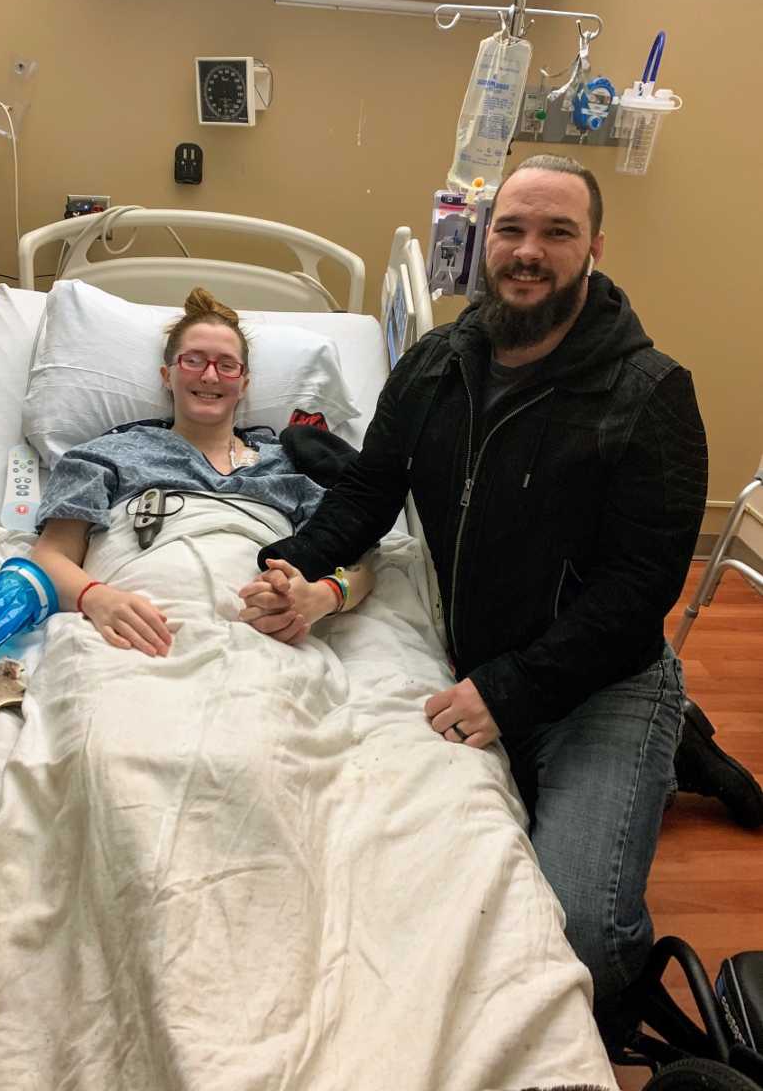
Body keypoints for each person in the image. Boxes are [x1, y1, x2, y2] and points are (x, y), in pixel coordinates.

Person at [246, 153, 715, 1047]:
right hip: (476, 661)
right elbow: (366, 493)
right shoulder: (433, 367)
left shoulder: (649, 394)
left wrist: (509, 692)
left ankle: (668, 740)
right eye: (511, 229)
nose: (528, 251)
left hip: (601, 686)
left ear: (595, 249)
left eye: (556, 232)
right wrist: (289, 565)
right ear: (482, 241)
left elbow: (639, 592)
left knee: (577, 928)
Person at [32, 287, 373, 649]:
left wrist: (326, 595)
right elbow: (49, 555)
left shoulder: (292, 463)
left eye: (226, 365)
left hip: (259, 638)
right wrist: (98, 599)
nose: (210, 376)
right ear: (167, 375)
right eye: (193, 361)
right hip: (133, 632)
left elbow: (363, 565)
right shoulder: (106, 455)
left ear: (244, 383)